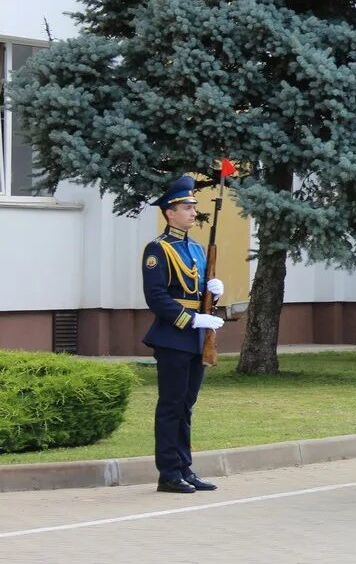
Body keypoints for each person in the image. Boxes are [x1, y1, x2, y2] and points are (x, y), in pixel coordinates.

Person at [141, 176, 225, 494]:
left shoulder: (197, 249)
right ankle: (168, 472)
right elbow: (157, 297)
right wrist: (191, 319)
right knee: (171, 405)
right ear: (169, 212)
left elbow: (200, 292)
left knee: (186, 405)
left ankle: (184, 467)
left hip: (195, 337)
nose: (192, 211)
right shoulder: (157, 250)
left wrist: (214, 294)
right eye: (186, 206)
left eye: (193, 206)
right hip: (173, 336)